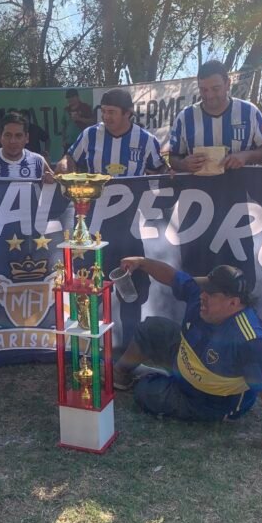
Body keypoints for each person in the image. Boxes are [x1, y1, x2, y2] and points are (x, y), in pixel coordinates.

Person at [113, 260, 262, 458]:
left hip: (209, 400)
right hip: (185, 356)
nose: (203, 296)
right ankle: (120, 374)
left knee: (145, 393)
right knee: (152, 328)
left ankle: (150, 379)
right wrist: (141, 262)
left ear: (233, 303)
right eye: (205, 290)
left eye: (212, 294)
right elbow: (173, 277)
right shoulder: (200, 297)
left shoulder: (250, 339)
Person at [57, 88, 165, 349]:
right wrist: (63, 166)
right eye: (103, 111)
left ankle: (129, 349)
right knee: (90, 288)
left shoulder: (146, 140)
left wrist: (171, 173)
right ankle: (87, 348)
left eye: (112, 112)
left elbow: (160, 170)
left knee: (131, 291)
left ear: (128, 113)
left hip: (129, 230)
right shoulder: (90, 134)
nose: (106, 117)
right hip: (94, 228)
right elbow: (70, 158)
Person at [169, 60, 262, 173]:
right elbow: (173, 157)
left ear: (228, 84)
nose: (209, 95)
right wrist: (183, 164)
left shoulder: (251, 112)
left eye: (215, 89)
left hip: (244, 184)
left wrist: (246, 156)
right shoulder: (184, 118)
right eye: (203, 90)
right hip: (198, 184)